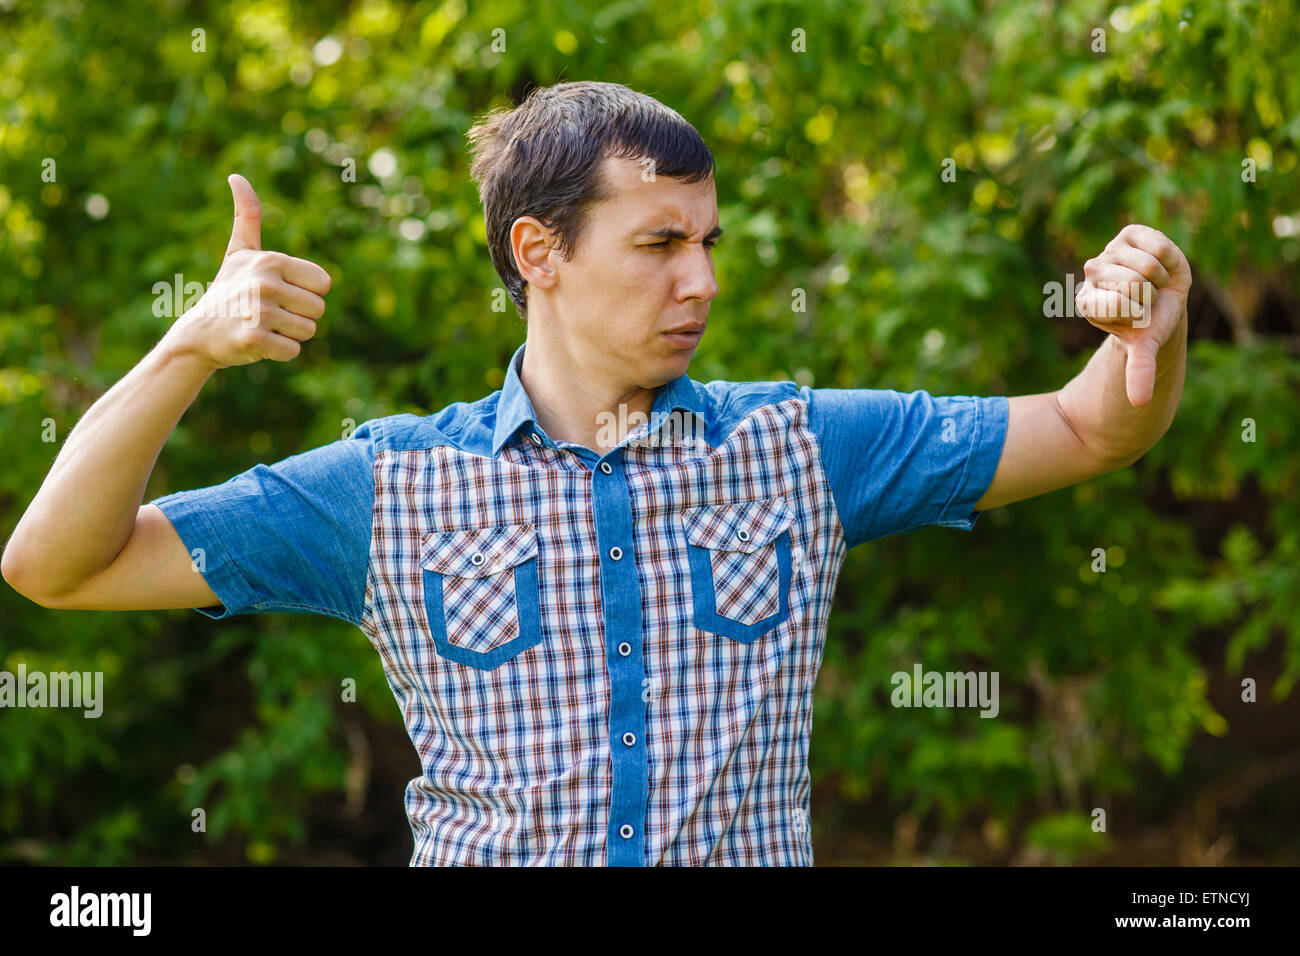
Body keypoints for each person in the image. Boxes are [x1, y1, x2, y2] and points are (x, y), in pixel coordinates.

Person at [1, 80, 1192, 866]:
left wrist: (1151, 329)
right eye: (660, 244)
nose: (704, 282)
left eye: (709, 242)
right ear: (540, 253)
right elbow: (56, 563)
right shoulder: (387, 487)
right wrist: (187, 347)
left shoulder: (801, 446)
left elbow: (1092, 428)